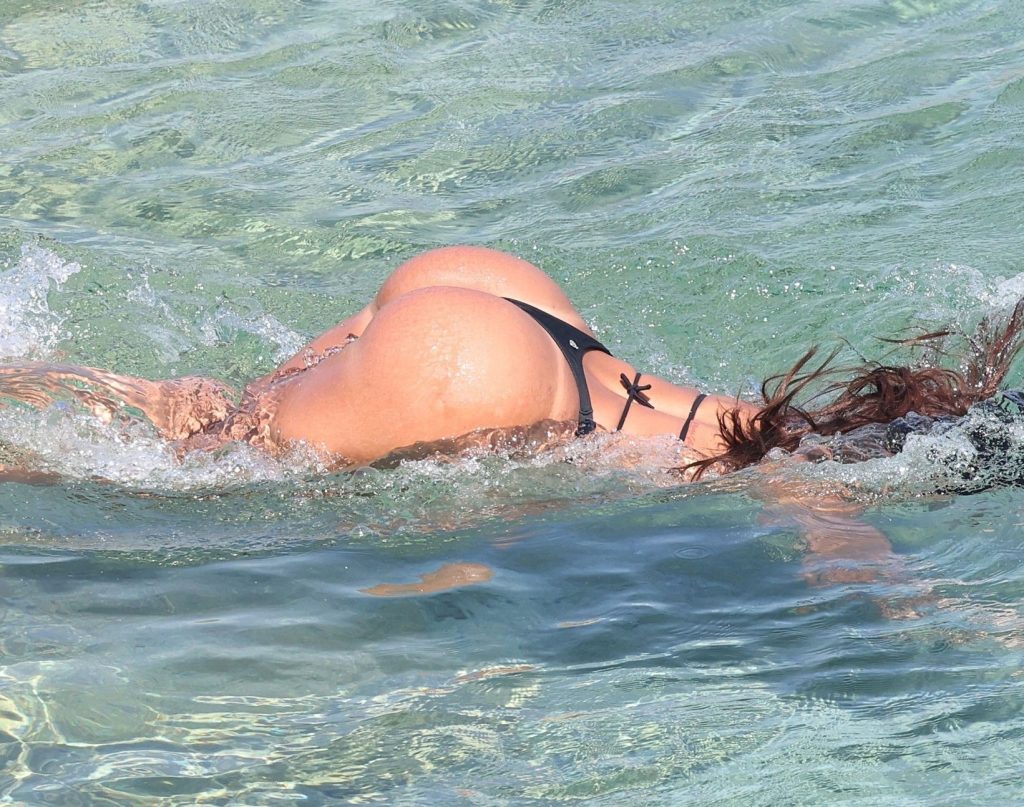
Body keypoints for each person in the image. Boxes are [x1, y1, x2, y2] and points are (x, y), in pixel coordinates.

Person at [1, 245, 1023, 479]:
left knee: (211, 424)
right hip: (478, 373)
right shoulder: (810, 472)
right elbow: (855, 568)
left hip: (522, 305)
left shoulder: (773, 422)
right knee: (184, 477)